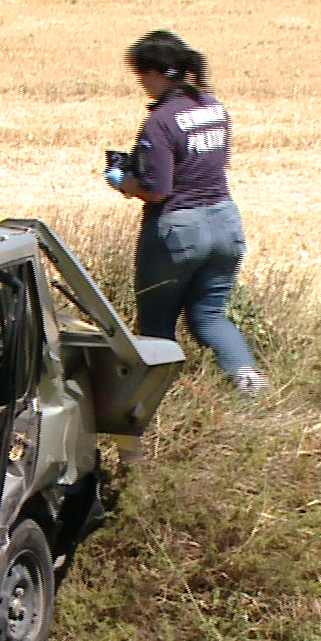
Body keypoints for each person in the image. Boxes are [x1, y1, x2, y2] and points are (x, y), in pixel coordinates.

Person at [107, 30, 270, 396]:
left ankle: (158, 402)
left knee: (156, 325)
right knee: (210, 317)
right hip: (225, 222)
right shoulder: (213, 108)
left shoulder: (161, 121)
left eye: (141, 75)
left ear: (156, 73)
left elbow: (158, 189)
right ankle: (252, 387)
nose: (141, 84)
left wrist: (123, 181)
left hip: (178, 230)